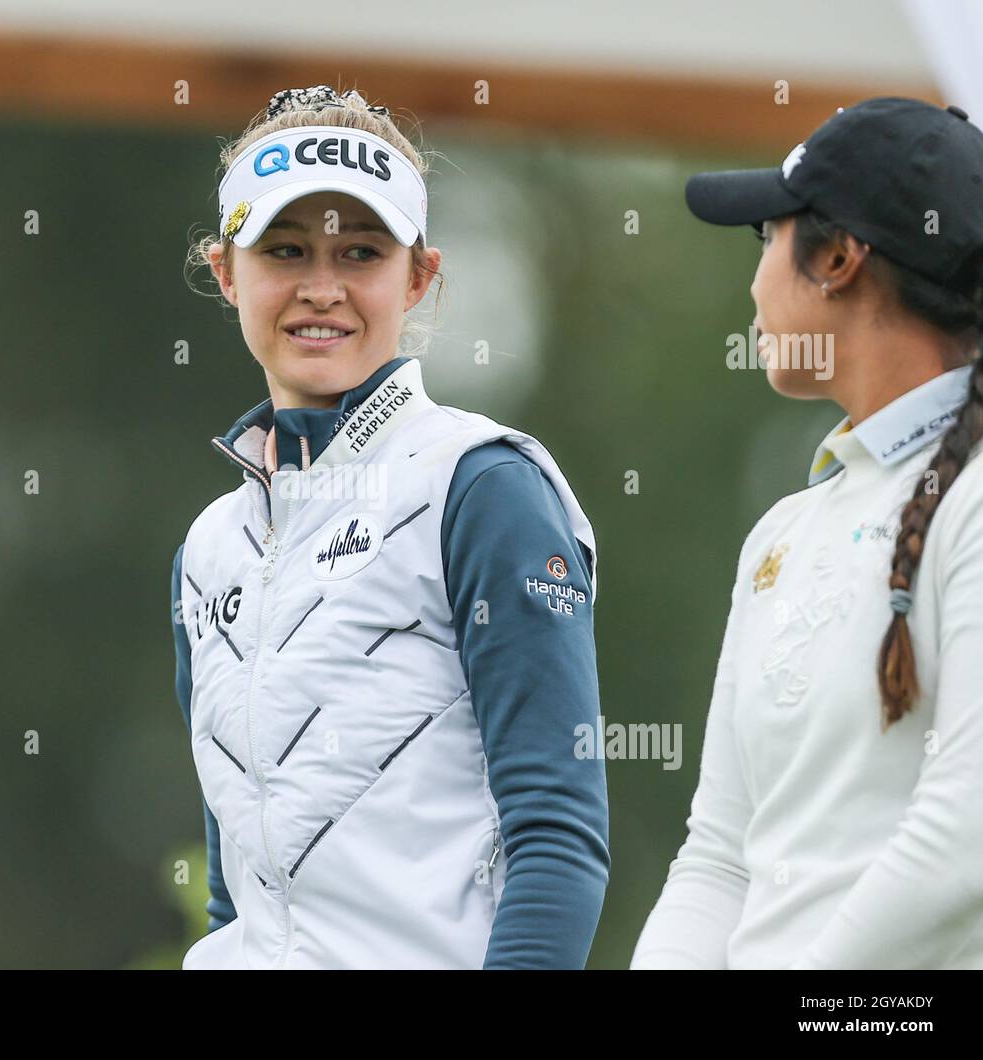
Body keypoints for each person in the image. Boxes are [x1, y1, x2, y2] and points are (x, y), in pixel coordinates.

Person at [170, 84, 609, 969]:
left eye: (360, 251)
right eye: (285, 250)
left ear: (417, 276)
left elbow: (559, 841)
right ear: (227, 272)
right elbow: (237, 893)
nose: (322, 288)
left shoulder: (482, 486)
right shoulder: (207, 549)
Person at [631, 97, 983, 969]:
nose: (753, 284)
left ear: (836, 257)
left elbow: (968, 830)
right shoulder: (781, 533)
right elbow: (718, 853)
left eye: (765, 239)